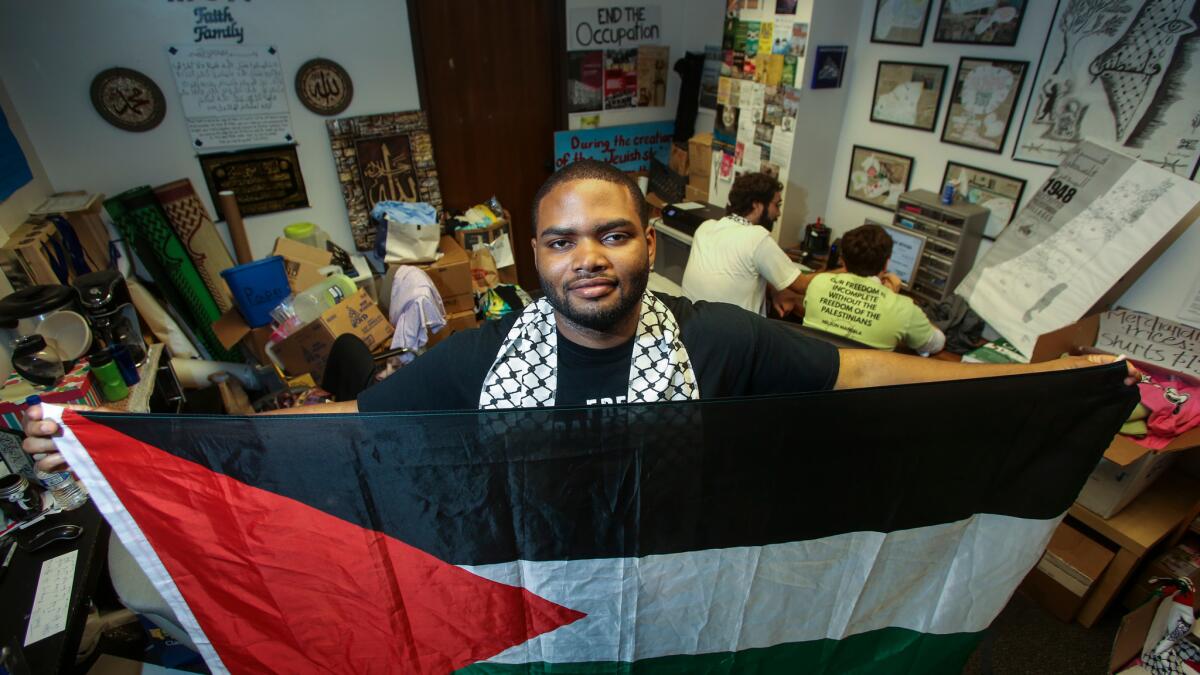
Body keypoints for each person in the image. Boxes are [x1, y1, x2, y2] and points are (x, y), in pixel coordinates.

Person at [23, 160, 1131, 469]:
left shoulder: (723, 342)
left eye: (612, 234)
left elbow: (877, 380)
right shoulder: (478, 363)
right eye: (561, 240)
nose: (588, 258)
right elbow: (329, 426)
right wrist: (122, 439)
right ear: (531, 257)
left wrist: (1045, 384)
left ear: (651, 243)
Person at [681, 172, 820, 317]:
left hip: (691, 328)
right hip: (732, 336)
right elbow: (803, 285)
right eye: (776, 205)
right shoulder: (757, 237)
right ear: (757, 205)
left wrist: (775, 290)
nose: (778, 213)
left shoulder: (705, 228)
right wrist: (843, 269)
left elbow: (739, 273)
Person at [802, 223, 945, 354]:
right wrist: (892, 297)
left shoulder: (817, 283)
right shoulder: (904, 308)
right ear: (886, 264)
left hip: (811, 375)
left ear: (843, 261)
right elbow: (936, 343)